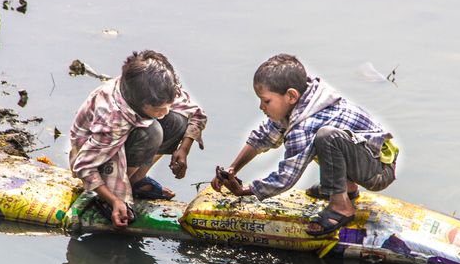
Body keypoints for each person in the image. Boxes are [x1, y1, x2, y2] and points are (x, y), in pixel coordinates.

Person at [211, 53, 398, 236]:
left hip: (378, 170)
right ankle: (346, 189)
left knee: (327, 137)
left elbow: (287, 177)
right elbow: (263, 137)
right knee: (328, 139)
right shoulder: (303, 100)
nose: (261, 107)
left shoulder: (305, 124)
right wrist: (233, 168)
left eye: (266, 101)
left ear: (291, 96)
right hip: (366, 156)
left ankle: (341, 207)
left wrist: (244, 191)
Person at [70, 50, 207, 228]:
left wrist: (183, 149)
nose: (165, 112)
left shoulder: (159, 88)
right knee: (152, 132)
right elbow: (83, 166)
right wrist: (114, 201)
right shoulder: (112, 117)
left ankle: (135, 180)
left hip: (125, 139)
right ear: (142, 105)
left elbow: (195, 114)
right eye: (159, 109)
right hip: (98, 156)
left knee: (177, 121)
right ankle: (110, 195)